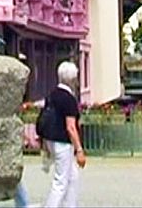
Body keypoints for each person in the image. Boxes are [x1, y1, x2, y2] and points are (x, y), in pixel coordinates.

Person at [43, 61, 86, 208]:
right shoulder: (69, 99)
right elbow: (71, 127)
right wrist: (79, 149)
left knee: (72, 177)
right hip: (63, 142)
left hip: (50, 140)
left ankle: (70, 205)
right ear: (73, 79)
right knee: (60, 182)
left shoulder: (51, 95)